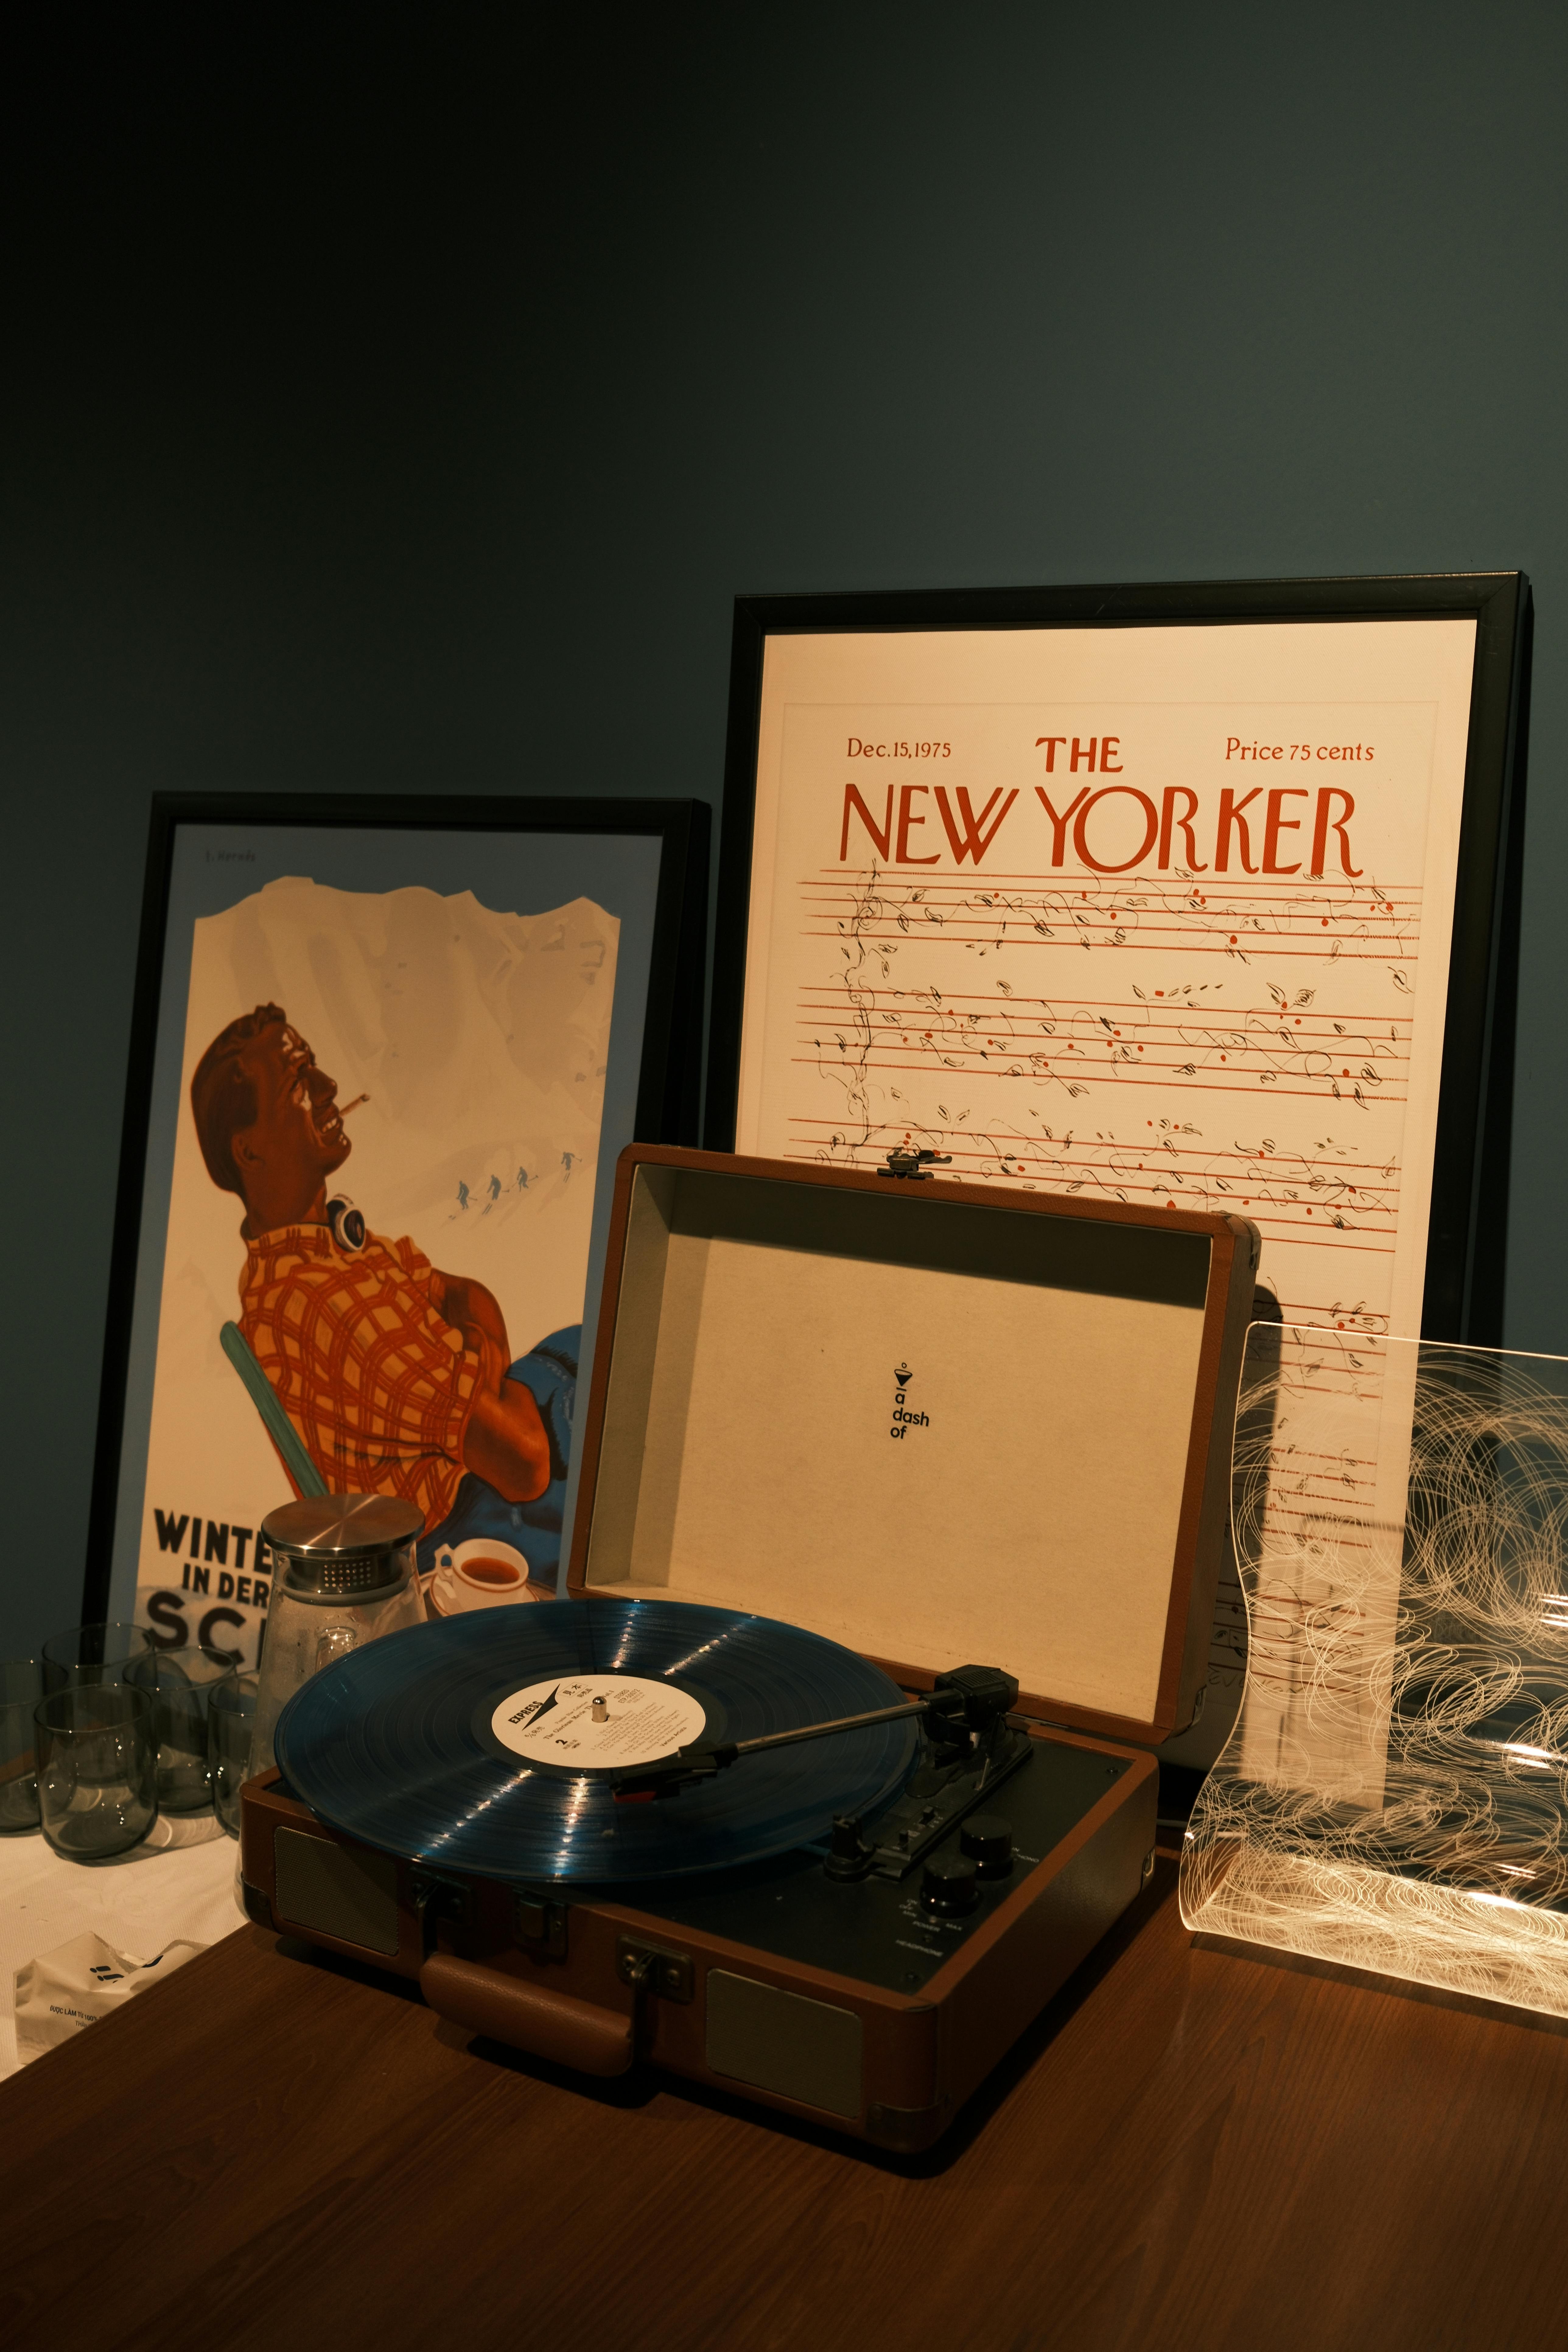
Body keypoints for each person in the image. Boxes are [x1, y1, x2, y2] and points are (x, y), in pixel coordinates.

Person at [189, 1003, 577, 1584]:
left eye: (314, 1067)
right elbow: (523, 1462)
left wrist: (474, 1372)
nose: (329, 1088)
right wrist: (483, 1371)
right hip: (477, 1520)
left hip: (489, 1461)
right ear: (249, 1151)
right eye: (299, 1082)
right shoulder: (325, 1305)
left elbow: (469, 1295)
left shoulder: (331, 1247)